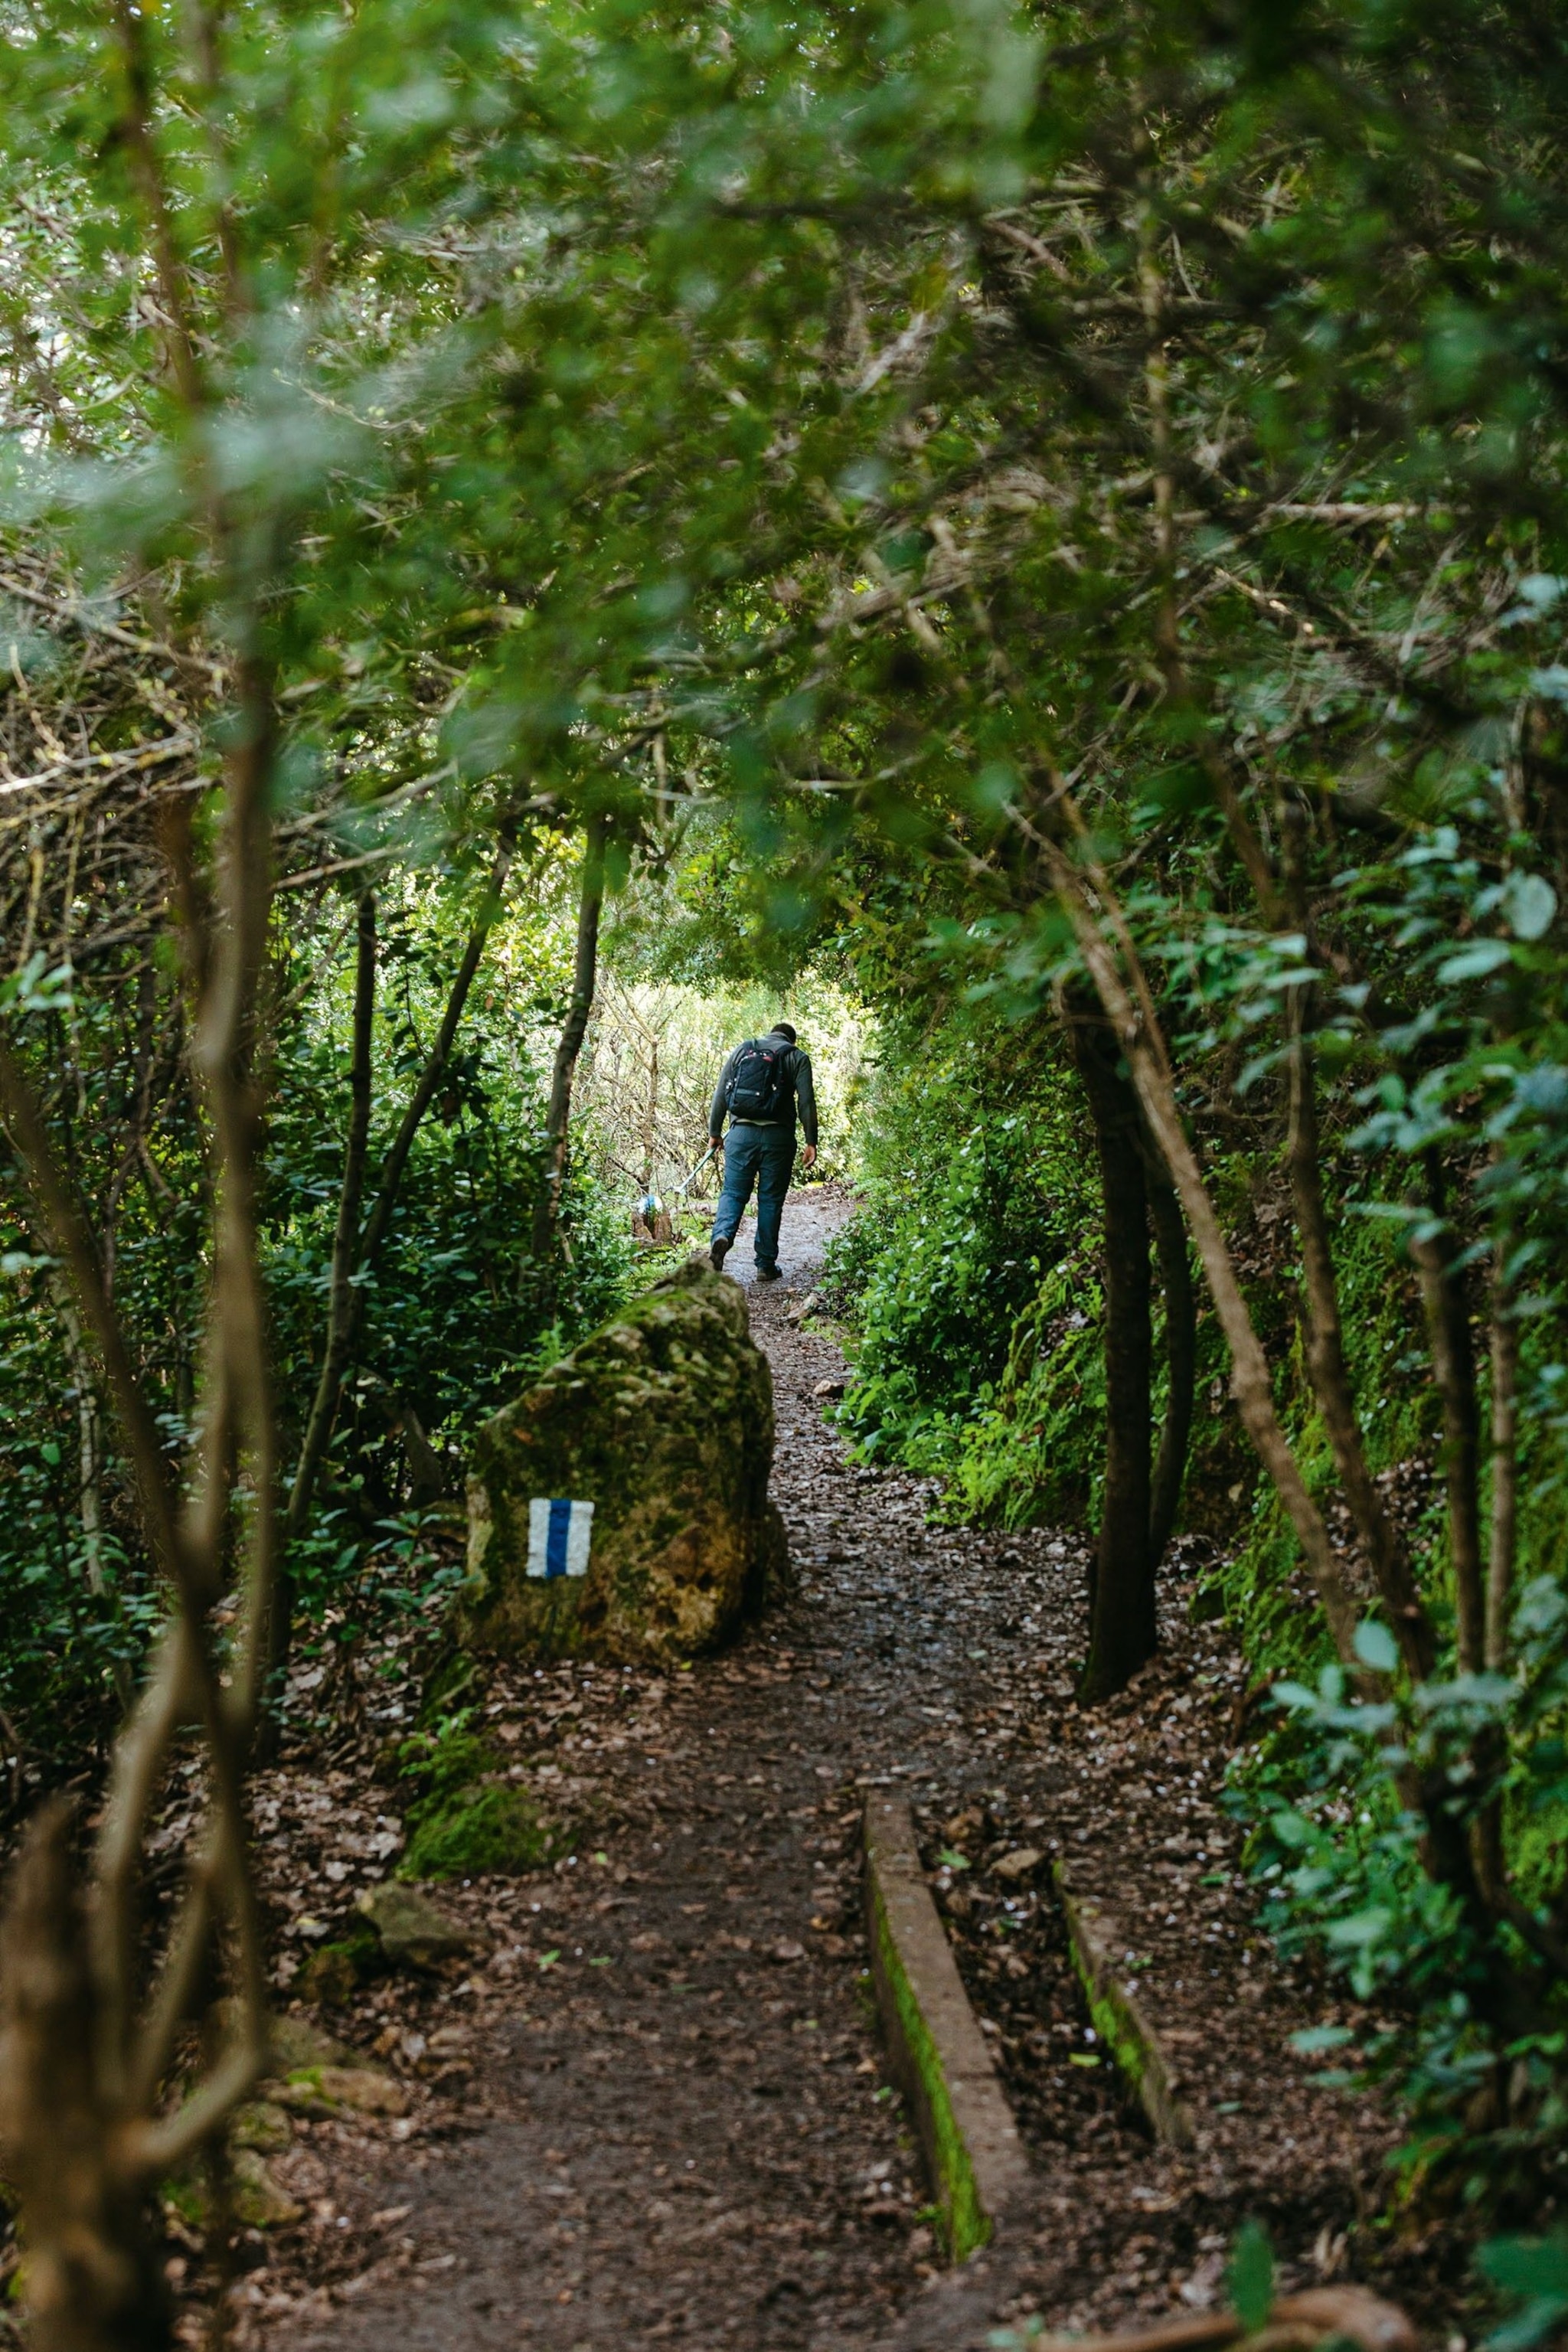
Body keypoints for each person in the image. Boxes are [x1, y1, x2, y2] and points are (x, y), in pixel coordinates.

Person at [707, 1022, 818, 1282]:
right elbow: (806, 1101)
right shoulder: (796, 1057)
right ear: (792, 1040)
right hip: (778, 1138)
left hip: (740, 1135)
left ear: (771, 1034)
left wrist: (715, 1132)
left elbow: (721, 1094)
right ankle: (765, 1265)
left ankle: (722, 1236)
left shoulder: (743, 1050)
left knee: (733, 1193)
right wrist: (811, 1141)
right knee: (769, 1200)